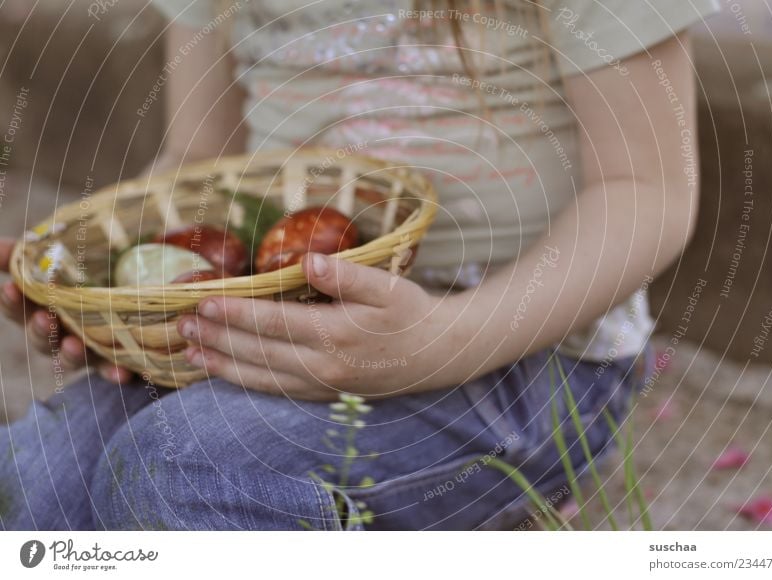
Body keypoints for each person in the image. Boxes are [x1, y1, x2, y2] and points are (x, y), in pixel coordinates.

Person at [0, 0, 719, 530]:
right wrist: (124, 301)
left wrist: (441, 340)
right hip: (297, 321)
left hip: (531, 349)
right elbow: (203, 161)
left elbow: (648, 191)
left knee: (188, 465)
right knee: (36, 476)